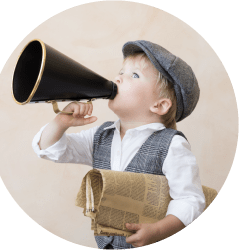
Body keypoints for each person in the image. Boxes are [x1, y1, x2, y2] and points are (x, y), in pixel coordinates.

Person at [32, 40, 205, 249]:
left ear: (159, 105)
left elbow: (190, 200)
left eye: (134, 75)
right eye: (121, 71)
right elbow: (52, 150)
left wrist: (159, 230)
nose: (117, 78)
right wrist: (61, 122)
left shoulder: (173, 145)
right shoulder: (101, 135)